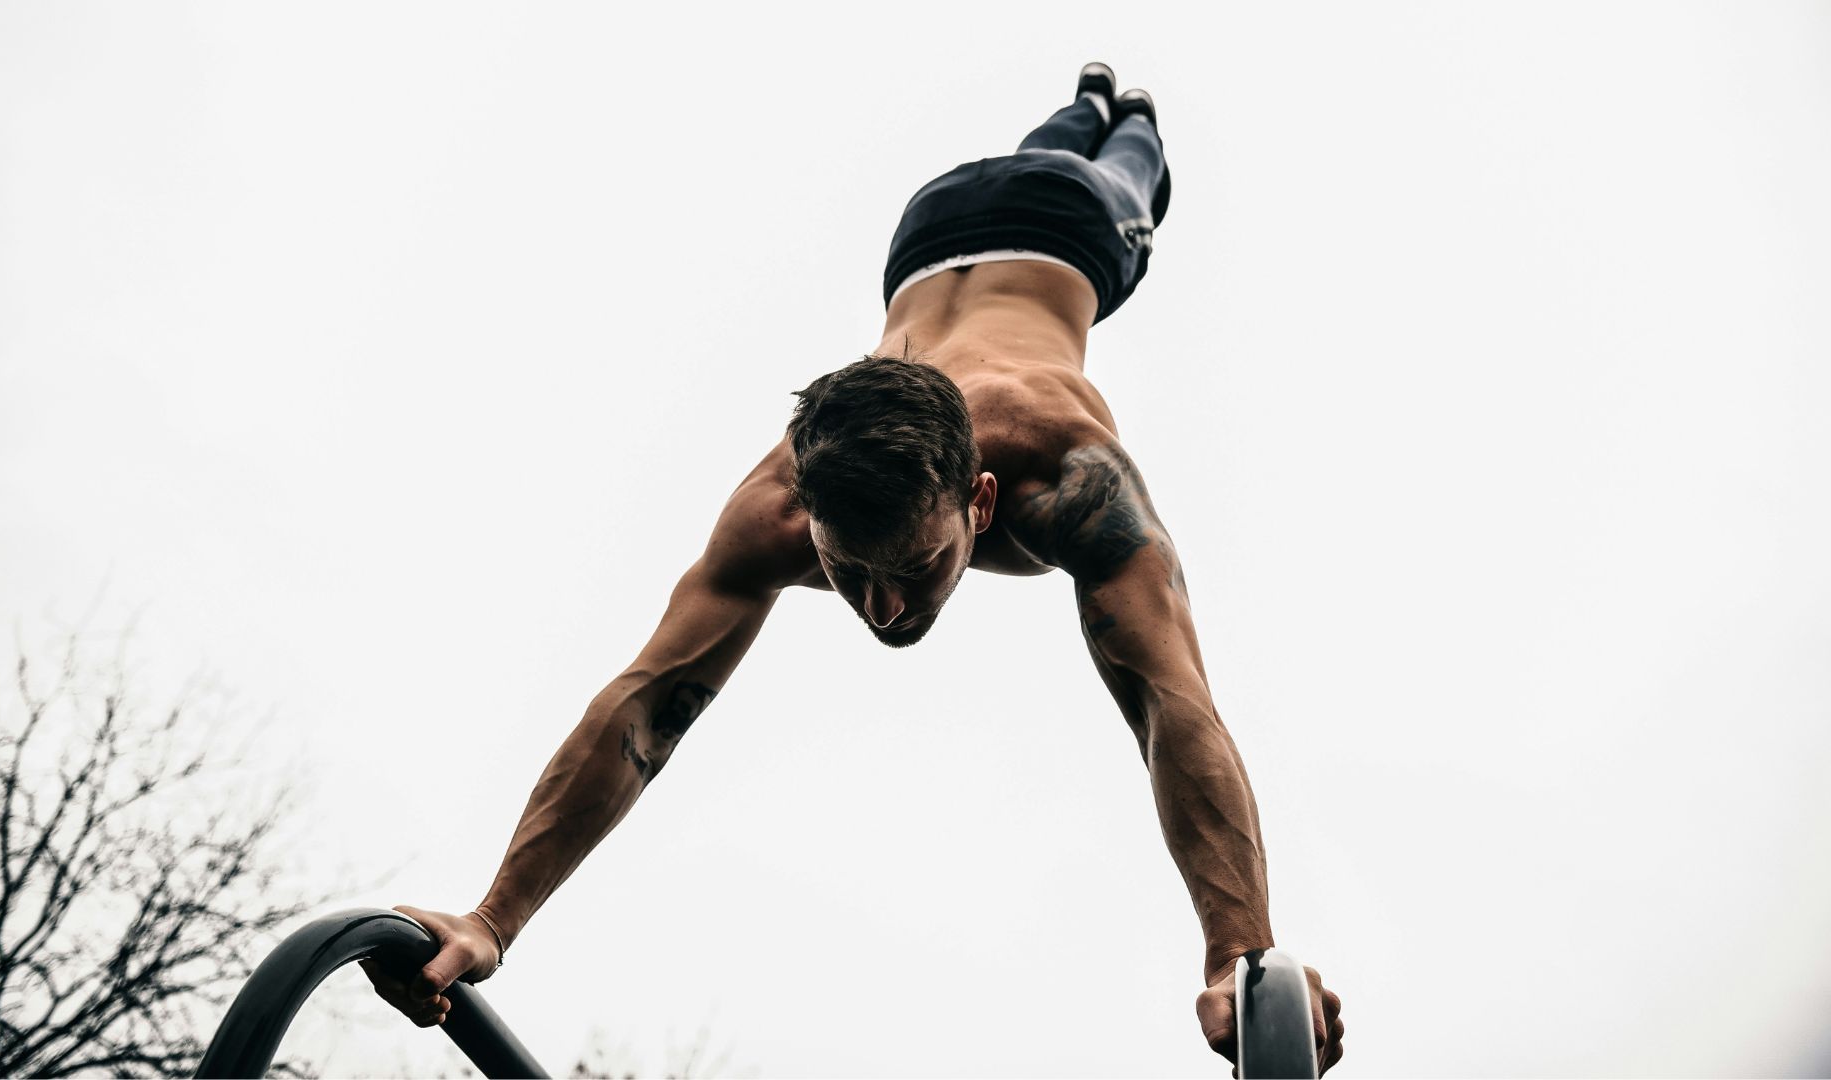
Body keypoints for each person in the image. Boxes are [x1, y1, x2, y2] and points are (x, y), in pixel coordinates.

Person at [364, 63, 1346, 1075]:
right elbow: (643, 706)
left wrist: (1241, 955)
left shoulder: (1067, 470)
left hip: (1066, 223)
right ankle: (1088, 104)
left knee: (1128, 174)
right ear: (808, 515)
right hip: (922, 240)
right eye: (849, 571)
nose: (881, 607)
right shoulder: (779, 503)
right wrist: (492, 919)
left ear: (982, 501)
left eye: (916, 569)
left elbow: (1171, 703)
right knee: (1051, 150)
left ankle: (1121, 112)